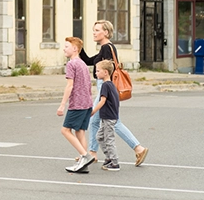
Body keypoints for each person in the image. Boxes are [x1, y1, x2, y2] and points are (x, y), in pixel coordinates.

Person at [80, 19, 150, 166]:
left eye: (97, 30)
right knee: (98, 121)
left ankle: (138, 148)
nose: (94, 32)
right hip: (105, 86)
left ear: (106, 32)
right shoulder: (105, 48)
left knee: (112, 121)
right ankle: (92, 153)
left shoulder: (107, 48)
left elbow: (107, 70)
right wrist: (78, 47)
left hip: (105, 87)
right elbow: (88, 60)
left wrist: (105, 89)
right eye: (94, 30)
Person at [58, 37, 95, 173]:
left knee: (65, 130)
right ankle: (83, 163)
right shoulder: (83, 64)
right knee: (80, 131)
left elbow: (70, 86)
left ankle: (85, 156)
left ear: (75, 49)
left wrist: (62, 105)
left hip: (78, 104)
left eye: (67, 46)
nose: (64, 49)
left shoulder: (71, 64)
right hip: (87, 103)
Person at [91, 60, 120, 171]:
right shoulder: (110, 85)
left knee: (109, 139)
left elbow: (102, 101)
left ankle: (115, 161)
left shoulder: (105, 86)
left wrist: (93, 111)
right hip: (107, 116)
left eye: (98, 71)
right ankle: (108, 157)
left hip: (109, 117)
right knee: (99, 136)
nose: (96, 73)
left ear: (106, 72)